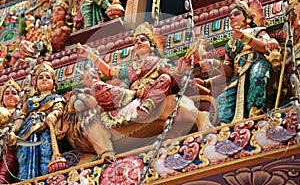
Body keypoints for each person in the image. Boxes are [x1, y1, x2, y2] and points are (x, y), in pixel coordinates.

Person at [78, 22, 212, 130]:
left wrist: (182, 68)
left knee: (165, 78)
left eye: (143, 40)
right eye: (136, 42)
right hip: (132, 95)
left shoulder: (160, 62)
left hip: (152, 93)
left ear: (152, 45)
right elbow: (108, 71)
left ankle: (148, 106)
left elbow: (174, 76)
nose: (139, 43)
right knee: (97, 87)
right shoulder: (130, 68)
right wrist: (90, 55)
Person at [214, 0, 280, 124]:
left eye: (236, 14)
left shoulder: (257, 31)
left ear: (248, 18)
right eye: (230, 16)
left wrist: (245, 37)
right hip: (238, 74)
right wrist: (214, 65)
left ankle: (255, 114)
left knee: (257, 77)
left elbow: (265, 47)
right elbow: (228, 71)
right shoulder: (230, 43)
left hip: (257, 62)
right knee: (222, 98)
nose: (232, 17)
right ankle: (225, 126)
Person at [8, 62, 66, 180]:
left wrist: (53, 115)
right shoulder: (29, 101)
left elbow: (59, 109)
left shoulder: (56, 98)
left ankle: (45, 179)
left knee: (45, 154)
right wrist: (13, 131)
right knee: (24, 157)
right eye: (40, 78)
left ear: (54, 83)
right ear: (35, 85)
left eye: (48, 77)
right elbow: (22, 116)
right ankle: (25, 180)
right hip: (26, 131)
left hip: (44, 127)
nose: (44, 80)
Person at [0, 79, 21, 184]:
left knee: (4, 172)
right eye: (7, 93)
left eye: (14, 93)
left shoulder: (21, 114)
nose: (10, 95)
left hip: (12, 148)